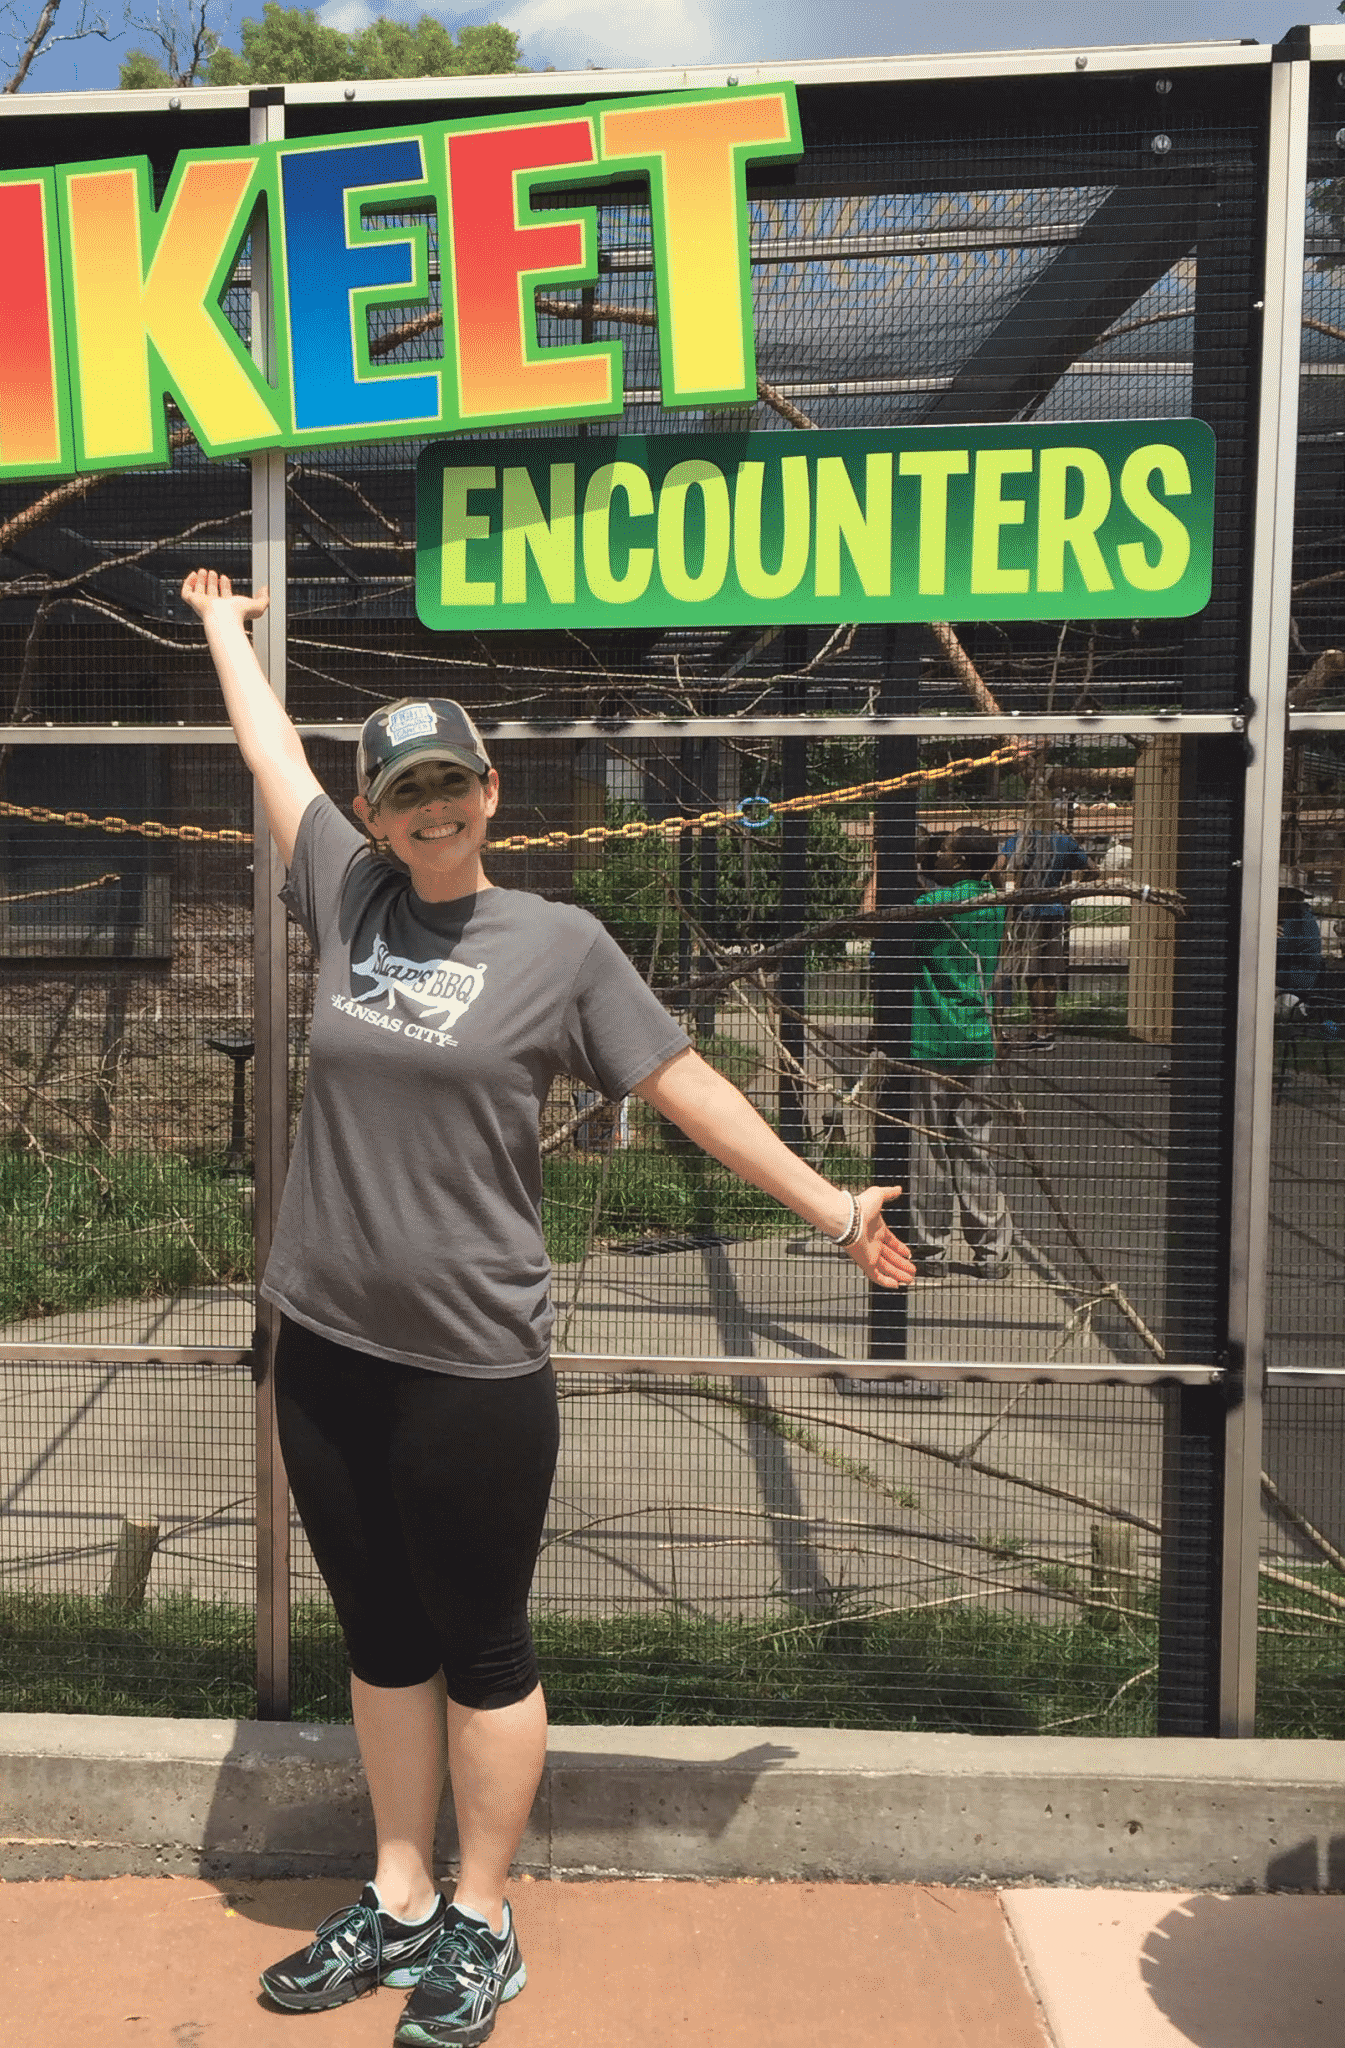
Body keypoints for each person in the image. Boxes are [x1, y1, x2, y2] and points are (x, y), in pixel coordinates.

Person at [181, 569, 914, 2048]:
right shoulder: (350, 892)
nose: (429, 814)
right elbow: (274, 761)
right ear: (379, 814)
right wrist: (221, 631)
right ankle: (394, 1898)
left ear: (490, 793)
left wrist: (833, 1211)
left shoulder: (562, 947)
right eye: (405, 796)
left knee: (485, 1642)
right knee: (382, 1634)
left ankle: (482, 1916)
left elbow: (686, 1086)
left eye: (451, 787)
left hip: (470, 1365)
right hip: (322, 1343)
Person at [909, 828, 1013, 1280]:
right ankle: (992, 1251)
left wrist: (878, 874)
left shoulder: (938, 906)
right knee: (974, 1146)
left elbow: (874, 923)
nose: (940, 854)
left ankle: (929, 1251)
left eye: (947, 850)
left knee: (928, 1148)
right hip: (978, 1037)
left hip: (931, 1038)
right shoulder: (992, 903)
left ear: (956, 863)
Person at [998, 820, 1091, 1048]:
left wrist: (1004, 895)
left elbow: (996, 869)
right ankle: (1048, 1030)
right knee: (1049, 973)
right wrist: (1070, 892)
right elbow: (1094, 870)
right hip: (1055, 910)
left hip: (1028, 911)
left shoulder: (1020, 839)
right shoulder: (1063, 841)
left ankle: (1038, 1030)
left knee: (1032, 974)